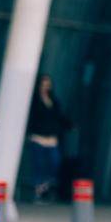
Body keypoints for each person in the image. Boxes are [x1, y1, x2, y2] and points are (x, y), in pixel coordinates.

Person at [27, 73, 72, 201]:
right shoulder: (35, 100)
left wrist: (69, 125)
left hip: (51, 139)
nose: (46, 87)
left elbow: (59, 116)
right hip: (38, 137)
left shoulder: (54, 101)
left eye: (48, 85)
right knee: (39, 165)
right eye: (44, 85)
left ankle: (45, 186)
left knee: (55, 163)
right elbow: (31, 117)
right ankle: (38, 190)